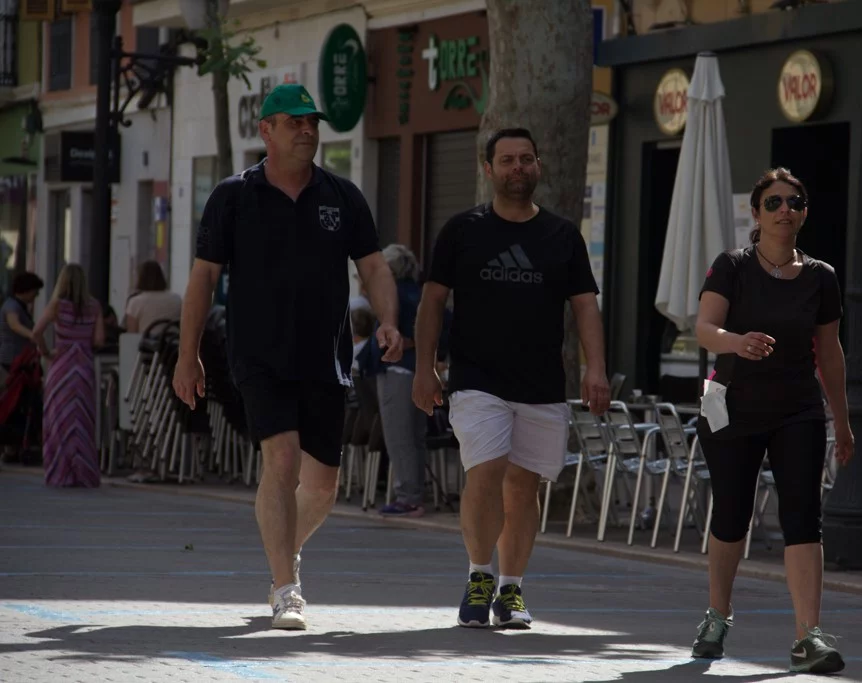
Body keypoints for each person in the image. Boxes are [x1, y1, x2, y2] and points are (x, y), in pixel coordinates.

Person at [172, 83, 401, 631]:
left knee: (323, 486)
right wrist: (188, 355)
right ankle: (285, 588)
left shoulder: (342, 196)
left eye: (312, 122)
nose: (307, 130)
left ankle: (282, 548)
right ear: (266, 130)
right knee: (281, 460)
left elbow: (373, 266)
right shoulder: (234, 196)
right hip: (258, 354)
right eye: (294, 121)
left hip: (326, 356)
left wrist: (389, 319)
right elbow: (203, 278)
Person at [412, 128, 610, 630]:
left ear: (539, 165)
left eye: (525, 158)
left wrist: (597, 371)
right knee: (486, 470)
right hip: (476, 377)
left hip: (542, 381)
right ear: (488, 169)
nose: (516, 167)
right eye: (506, 160)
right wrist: (425, 367)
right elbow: (433, 301)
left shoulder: (563, 236)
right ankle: (480, 576)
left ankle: (511, 589)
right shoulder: (462, 230)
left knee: (523, 489)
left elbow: (585, 306)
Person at [691, 168, 852, 674]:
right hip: (730, 404)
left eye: (796, 201)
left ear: (804, 212)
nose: (786, 208)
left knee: (804, 517)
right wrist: (736, 341)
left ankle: (809, 636)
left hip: (798, 409)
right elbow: (703, 328)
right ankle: (718, 614)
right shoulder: (733, 266)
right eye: (775, 201)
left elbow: (830, 352)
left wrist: (842, 423)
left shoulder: (821, 277)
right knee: (732, 516)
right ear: (757, 214)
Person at [367, 244, 450, 518]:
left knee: (398, 436)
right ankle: (414, 493)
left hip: (396, 371)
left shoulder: (393, 297)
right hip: (420, 371)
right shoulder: (420, 294)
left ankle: (407, 496)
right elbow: (445, 322)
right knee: (416, 436)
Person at [32, 264, 105, 488]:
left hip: (61, 366)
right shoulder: (94, 306)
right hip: (83, 368)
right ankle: (83, 471)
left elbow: (37, 332)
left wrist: (45, 352)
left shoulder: (56, 306)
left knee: (58, 420)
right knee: (81, 420)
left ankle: (60, 471)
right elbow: (99, 341)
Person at [1, 271, 44, 374]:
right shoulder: (12, 306)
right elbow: (14, 325)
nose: (37, 295)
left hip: (22, 359)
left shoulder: (20, 307)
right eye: (35, 291)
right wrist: (32, 335)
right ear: (26, 290)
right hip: (12, 360)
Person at [124, 260, 181, 336]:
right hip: (172, 345)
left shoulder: (135, 302)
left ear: (140, 278)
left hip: (147, 346)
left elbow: (132, 334)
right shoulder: (177, 299)